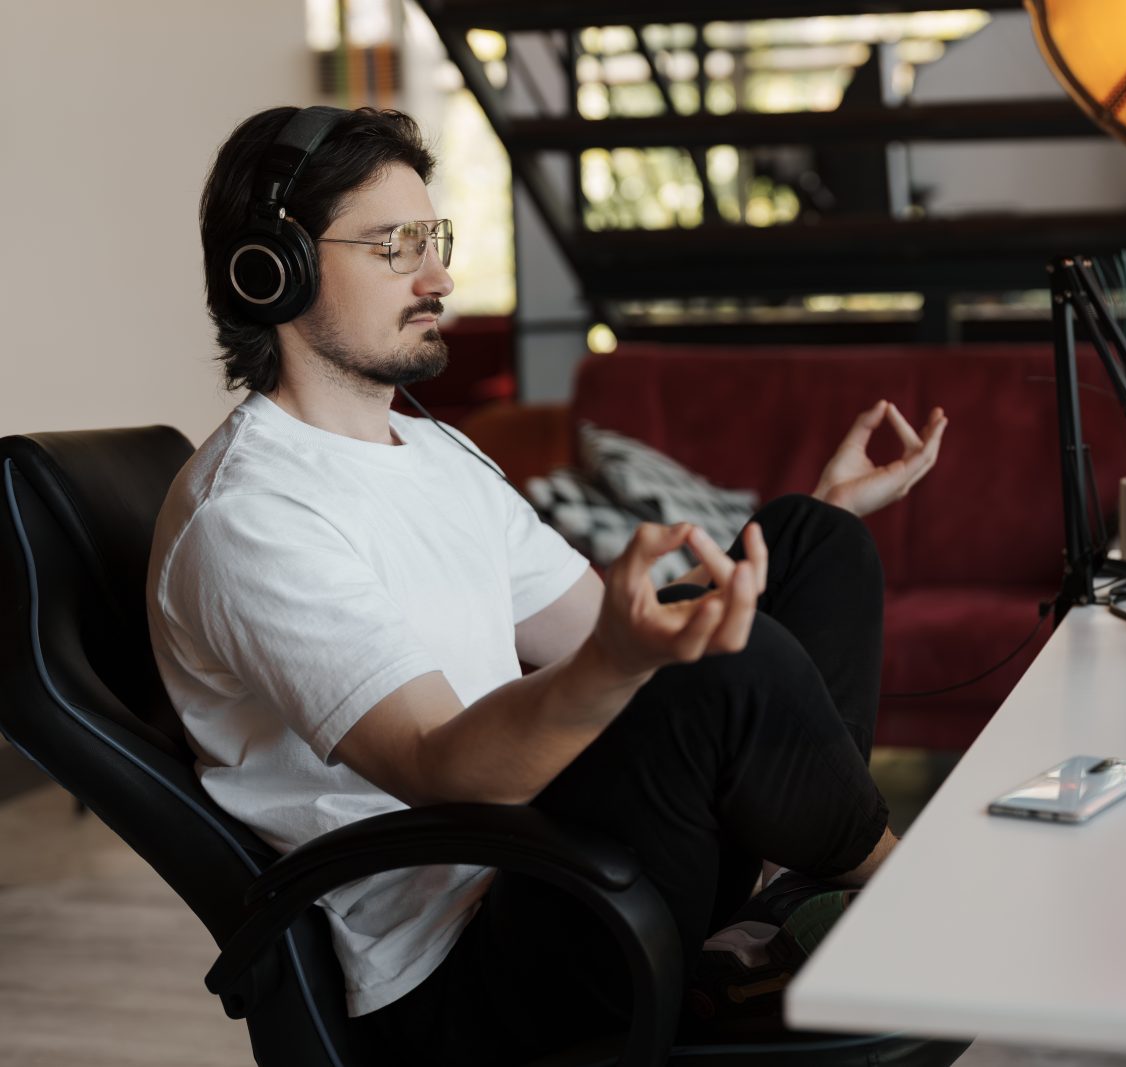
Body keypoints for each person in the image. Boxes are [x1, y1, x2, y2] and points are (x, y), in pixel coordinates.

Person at [147, 104, 948, 1063]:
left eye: (432, 238)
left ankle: (787, 908)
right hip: (468, 961)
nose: (439, 276)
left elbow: (594, 628)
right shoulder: (252, 515)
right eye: (397, 246)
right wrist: (629, 656)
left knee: (811, 542)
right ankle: (922, 911)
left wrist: (814, 524)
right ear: (273, 269)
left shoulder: (432, 450)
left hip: (563, 864)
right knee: (708, 672)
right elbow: (444, 768)